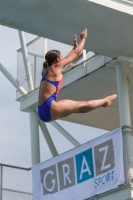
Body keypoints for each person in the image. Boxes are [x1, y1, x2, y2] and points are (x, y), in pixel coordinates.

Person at [38, 28, 117, 122]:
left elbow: (68, 57)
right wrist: (83, 38)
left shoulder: (49, 71)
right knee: (84, 105)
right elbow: (77, 53)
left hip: (42, 112)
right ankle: (105, 101)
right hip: (50, 107)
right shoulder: (55, 67)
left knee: (80, 108)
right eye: (61, 57)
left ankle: (104, 103)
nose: (63, 58)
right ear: (57, 59)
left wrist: (74, 48)